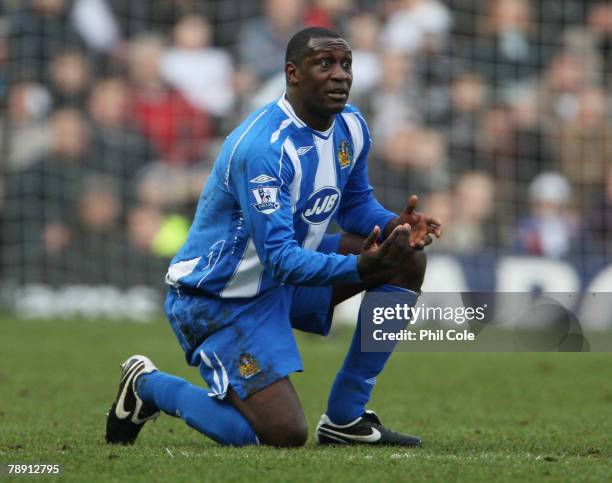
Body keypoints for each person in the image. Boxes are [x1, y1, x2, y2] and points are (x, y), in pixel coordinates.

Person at [105, 27, 441, 448]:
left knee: (406, 259)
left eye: (346, 65)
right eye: (325, 64)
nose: (340, 76)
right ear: (293, 73)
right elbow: (281, 257)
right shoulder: (265, 148)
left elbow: (355, 205)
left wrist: (397, 226)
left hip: (281, 280)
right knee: (282, 435)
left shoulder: (351, 126)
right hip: (220, 297)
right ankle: (148, 385)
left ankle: (345, 418)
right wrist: (360, 266)